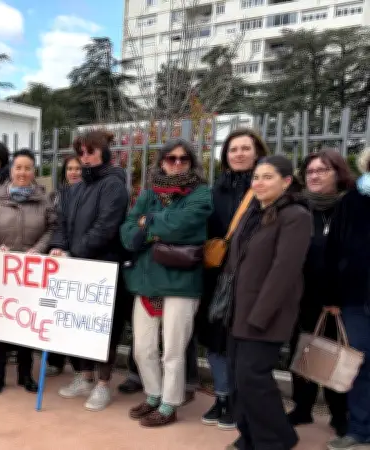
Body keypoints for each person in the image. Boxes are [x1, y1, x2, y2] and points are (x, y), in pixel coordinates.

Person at [120, 139, 212, 427]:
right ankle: (153, 394)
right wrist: (152, 228)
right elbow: (126, 232)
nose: (176, 163)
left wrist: (148, 225)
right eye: (170, 158)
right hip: (147, 282)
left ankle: (170, 403)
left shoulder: (201, 194)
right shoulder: (148, 194)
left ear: (191, 162)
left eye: (183, 159)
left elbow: (185, 226)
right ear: (161, 162)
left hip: (181, 282)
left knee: (173, 350)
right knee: (143, 348)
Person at [225, 155, 310, 450]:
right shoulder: (253, 213)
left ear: (286, 182)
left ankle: (275, 440)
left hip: (265, 315)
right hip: (237, 312)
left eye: (267, 177)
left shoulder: (296, 216)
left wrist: (259, 315)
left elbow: (284, 271)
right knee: (240, 380)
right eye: (256, 177)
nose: (259, 183)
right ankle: (250, 434)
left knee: (253, 380)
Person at [49, 130, 131, 412]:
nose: (85, 157)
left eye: (91, 151)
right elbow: (60, 223)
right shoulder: (75, 188)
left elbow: (106, 227)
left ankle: (103, 384)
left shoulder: (114, 185)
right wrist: (59, 246)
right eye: (81, 152)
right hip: (78, 268)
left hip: (105, 269)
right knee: (79, 325)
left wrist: (76, 251)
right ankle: (85, 376)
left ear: (105, 152)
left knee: (105, 329)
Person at [198, 129, 267, 430]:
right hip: (217, 276)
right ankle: (223, 396)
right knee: (215, 340)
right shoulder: (218, 189)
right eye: (232, 149)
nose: (238, 154)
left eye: (245, 148)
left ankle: (241, 400)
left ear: (257, 152)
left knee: (242, 342)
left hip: (251, 278)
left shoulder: (266, 188)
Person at [0, 149, 57, 395]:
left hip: (31, 274)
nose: (22, 172)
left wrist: (38, 250)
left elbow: (53, 229)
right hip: (1, 274)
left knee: (27, 326)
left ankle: (25, 374)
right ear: (11, 171)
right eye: (18, 168)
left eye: (27, 168)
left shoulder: (44, 200)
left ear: (34, 172)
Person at [287, 151, 352, 437]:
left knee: (339, 354)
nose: (313, 175)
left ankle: (341, 414)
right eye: (310, 171)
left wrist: (339, 295)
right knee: (304, 350)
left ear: (338, 173)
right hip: (303, 295)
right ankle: (303, 408)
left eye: (322, 170)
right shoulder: (300, 208)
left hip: (343, 299)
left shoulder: (353, 208)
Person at [323, 147, 370, 450]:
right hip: (356, 299)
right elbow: (333, 250)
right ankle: (359, 429)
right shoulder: (352, 201)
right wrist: (331, 295)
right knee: (361, 364)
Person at [45, 155, 83, 375]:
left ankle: (79, 366)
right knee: (56, 313)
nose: (74, 172)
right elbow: (54, 225)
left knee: (74, 316)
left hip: (79, 259)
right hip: (59, 259)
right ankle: (55, 360)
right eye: (70, 168)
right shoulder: (56, 196)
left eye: (78, 168)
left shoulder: (88, 194)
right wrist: (57, 246)